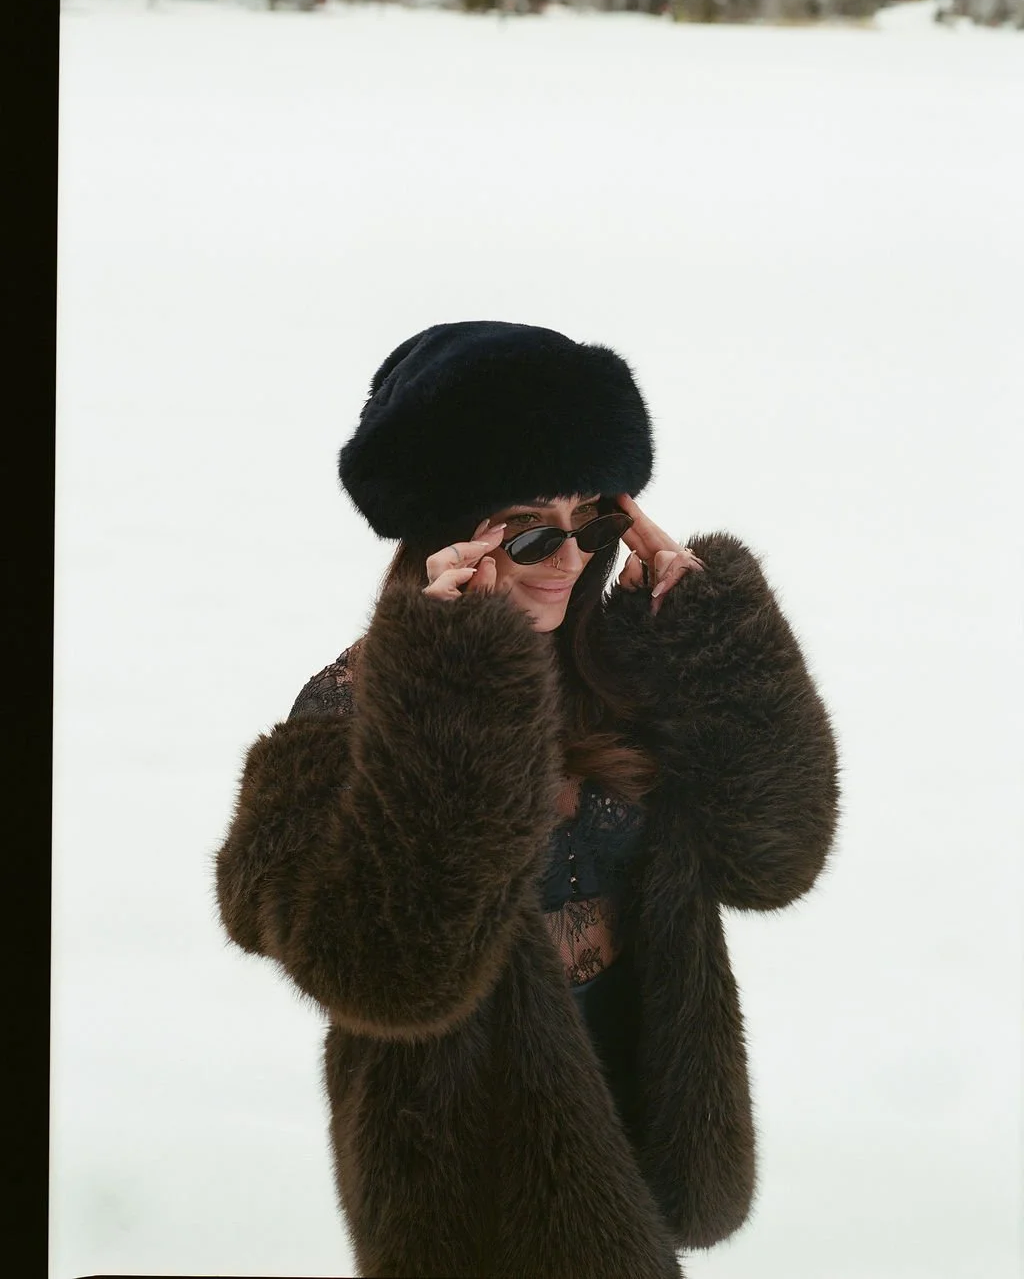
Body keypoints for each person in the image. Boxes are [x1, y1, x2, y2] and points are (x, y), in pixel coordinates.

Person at [216, 320, 840, 1279]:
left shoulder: (621, 666)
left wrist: (719, 638)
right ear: (446, 533)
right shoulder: (357, 706)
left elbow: (772, 859)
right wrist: (453, 682)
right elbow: (388, 969)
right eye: (532, 530)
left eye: (590, 522)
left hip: (643, 1099)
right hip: (470, 1165)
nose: (569, 559)